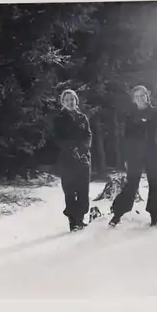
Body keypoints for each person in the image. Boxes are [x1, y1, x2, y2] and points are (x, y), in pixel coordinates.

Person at [109, 85, 157, 228]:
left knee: (155, 185)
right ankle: (117, 214)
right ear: (134, 99)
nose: (140, 98)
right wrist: (125, 158)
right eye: (137, 96)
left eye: (142, 95)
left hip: (153, 153)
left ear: (147, 96)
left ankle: (155, 217)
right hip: (134, 155)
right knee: (131, 184)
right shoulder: (130, 115)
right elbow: (124, 138)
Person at [53, 89, 92, 232]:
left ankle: (80, 219)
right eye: (67, 100)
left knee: (83, 191)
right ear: (63, 102)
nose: (70, 102)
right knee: (70, 191)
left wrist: (82, 149)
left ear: (76, 101)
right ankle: (73, 222)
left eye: (72, 99)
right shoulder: (59, 119)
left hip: (83, 159)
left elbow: (88, 136)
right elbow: (58, 138)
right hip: (67, 160)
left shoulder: (83, 118)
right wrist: (71, 148)